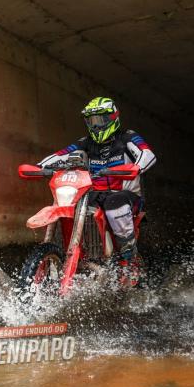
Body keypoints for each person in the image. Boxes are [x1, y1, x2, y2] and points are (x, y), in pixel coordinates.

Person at [37, 97, 157, 263]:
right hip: (94, 194)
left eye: (100, 120)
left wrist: (137, 167)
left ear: (113, 117)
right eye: (91, 121)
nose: (96, 125)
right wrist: (40, 167)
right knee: (72, 203)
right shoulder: (86, 142)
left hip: (125, 195)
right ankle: (77, 250)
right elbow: (62, 154)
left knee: (114, 203)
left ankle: (128, 251)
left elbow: (147, 154)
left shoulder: (127, 138)